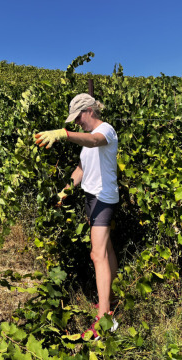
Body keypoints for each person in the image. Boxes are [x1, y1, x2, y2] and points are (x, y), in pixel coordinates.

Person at [34, 93, 119, 339]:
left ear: (89, 110)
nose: (77, 122)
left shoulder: (106, 130)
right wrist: (65, 191)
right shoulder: (86, 140)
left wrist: (65, 135)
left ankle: (105, 320)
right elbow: (82, 168)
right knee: (107, 249)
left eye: (78, 117)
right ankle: (110, 298)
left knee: (97, 253)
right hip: (92, 197)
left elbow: (94, 141)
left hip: (104, 198)